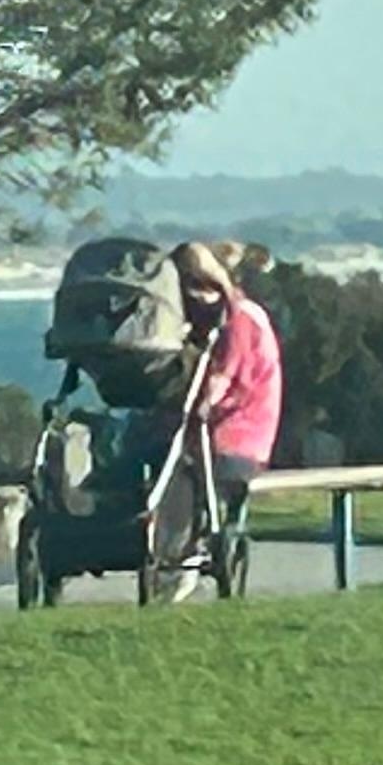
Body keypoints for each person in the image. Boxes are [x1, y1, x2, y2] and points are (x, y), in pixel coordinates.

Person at [158, 240, 284, 591]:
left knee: (178, 475)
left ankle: (178, 564)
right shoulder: (234, 318)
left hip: (237, 440)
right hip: (228, 435)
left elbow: (219, 384)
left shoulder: (240, 321)